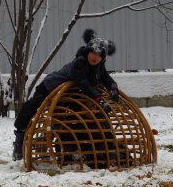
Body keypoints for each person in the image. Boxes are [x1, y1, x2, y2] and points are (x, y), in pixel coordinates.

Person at [12, 28, 119, 161]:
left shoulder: (99, 67)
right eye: (92, 52)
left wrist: (113, 88)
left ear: (102, 58)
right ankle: (19, 139)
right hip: (50, 87)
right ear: (87, 51)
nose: (94, 56)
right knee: (32, 106)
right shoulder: (80, 62)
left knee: (67, 119)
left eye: (99, 54)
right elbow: (82, 82)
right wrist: (98, 98)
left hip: (68, 95)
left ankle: (72, 148)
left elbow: (107, 79)